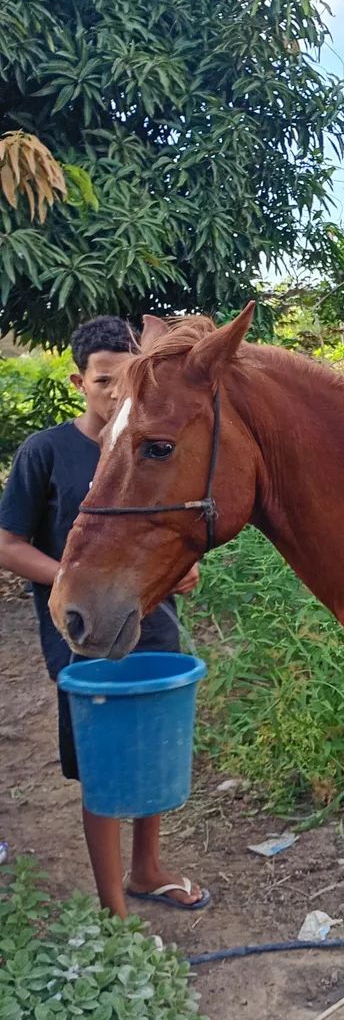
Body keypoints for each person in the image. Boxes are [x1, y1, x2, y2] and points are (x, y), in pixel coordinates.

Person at [0, 316, 210, 916]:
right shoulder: (46, 452)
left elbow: (162, 533)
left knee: (152, 746)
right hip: (84, 633)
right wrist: (72, 582)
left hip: (152, 623)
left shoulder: (144, 445)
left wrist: (179, 572)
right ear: (78, 381)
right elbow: (7, 543)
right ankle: (113, 906)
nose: (116, 394)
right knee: (104, 761)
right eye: (103, 382)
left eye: (126, 382)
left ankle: (147, 868)